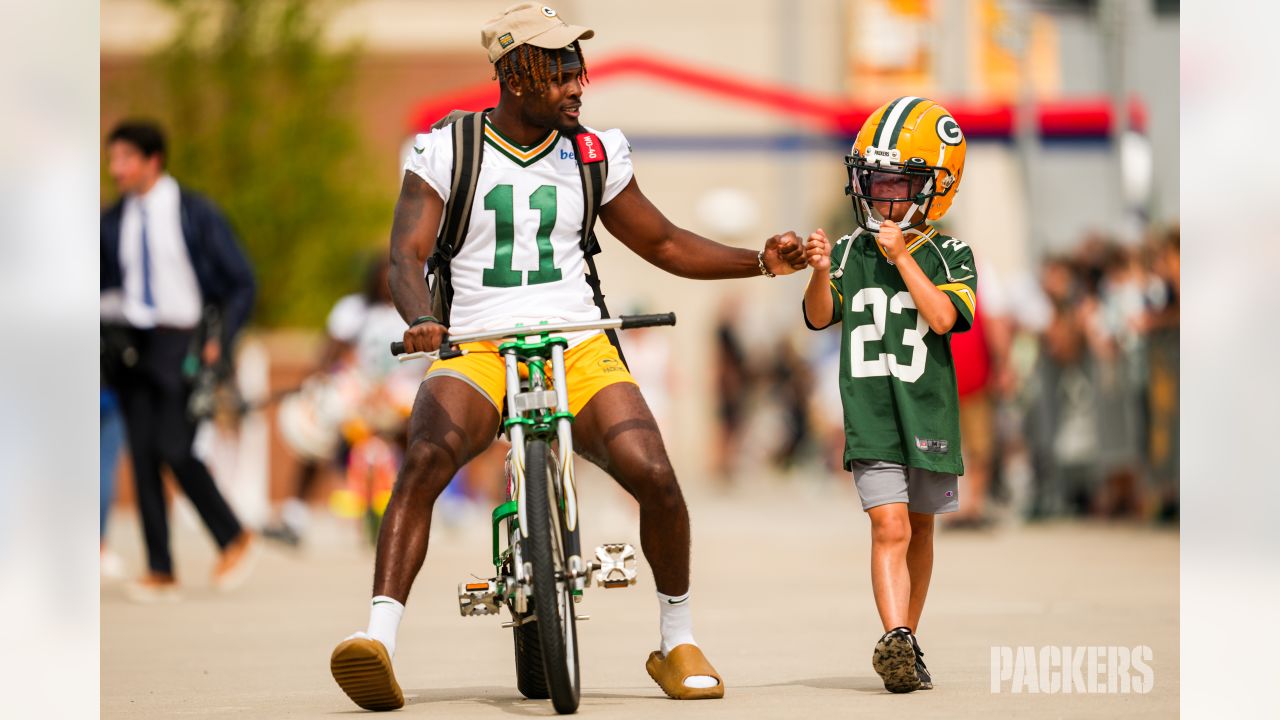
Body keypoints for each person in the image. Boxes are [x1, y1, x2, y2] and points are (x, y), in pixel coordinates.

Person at [328, 2, 805, 710]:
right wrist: (422, 318)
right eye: (558, 71)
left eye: (576, 68)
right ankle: (378, 638)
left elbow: (665, 242)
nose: (576, 83)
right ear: (516, 75)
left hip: (580, 339)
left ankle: (677, 639)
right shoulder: (447, 149)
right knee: (425, 458)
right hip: (475, 344)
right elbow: (405, 255)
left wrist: (759, 263)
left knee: (656, 475)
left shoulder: (594, 151)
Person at [801, 97, 973, 693]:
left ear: (934, 187)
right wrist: (820, 270)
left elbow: (944, 317)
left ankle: (907, 640)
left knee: (920, 528)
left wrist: (903, 258)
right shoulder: (852, 250)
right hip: (872, 411)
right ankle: (894, 634)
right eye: (872, 182)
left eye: (896, 183)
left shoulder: (949, 252)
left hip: (927, 409)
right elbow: (820, 317)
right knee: (889, 527)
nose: (880, 196)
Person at [100, 120, 259, 601]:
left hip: (186, 342)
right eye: (112, 159)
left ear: (153, 160)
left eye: (125, 158)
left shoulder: (195, 213)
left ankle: (233, 535)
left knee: (175, 446)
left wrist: (222, 339)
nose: (116, 169)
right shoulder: (112, 221)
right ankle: (160, 569)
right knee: (143, 455)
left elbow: (240, 281)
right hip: (132, 344)